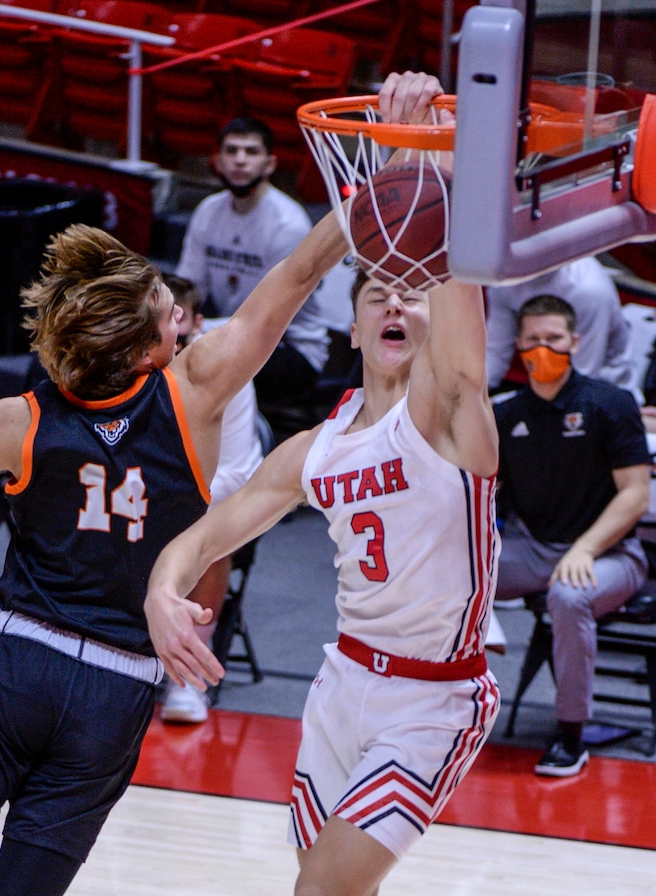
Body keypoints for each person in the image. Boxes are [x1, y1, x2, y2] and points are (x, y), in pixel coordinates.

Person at [0, 100, 363, 893]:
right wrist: (380, 177)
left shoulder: (19, 420)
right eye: (169, 315)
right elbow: (301, 272)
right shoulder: (199, 390)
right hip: (114, 687)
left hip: (15, 665)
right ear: (148, 347)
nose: (182, 319)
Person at [145, 75, 501, 894]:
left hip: (434, 701)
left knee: (320, 891)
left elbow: (461, 353)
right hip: (342, 683)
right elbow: (205, 535)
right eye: (383, 289)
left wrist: (425, 163)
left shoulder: (448, 415)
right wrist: (163, 592)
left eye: (418, 294)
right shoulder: (315, 447)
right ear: (355, 322)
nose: (400, 303)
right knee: (333, 884)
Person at [493, 293, 651, 777]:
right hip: (534, 550)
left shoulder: (611, 404)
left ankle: (569, 735)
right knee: (447, 576)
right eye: (534, 340)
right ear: (519, 345)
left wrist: (585, 548)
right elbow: (488, 497)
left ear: (574, 342)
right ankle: (439, 711)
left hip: (611, 555)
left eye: (554, 339)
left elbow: (635, 494)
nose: (544, 348)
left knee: (567, 595)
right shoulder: (504, 414)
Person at [159, 275, 264, 724]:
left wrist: (164, 497)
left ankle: (187, 676)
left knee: (210, 534)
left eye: (182, 333)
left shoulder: (228, 368)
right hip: (132, 497)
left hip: (206, 504)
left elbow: (237, 476)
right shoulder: (119, 362)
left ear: (197, 324)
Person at [175, 116, 330, 410]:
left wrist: (195, 332)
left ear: (270, 164)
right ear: (217, 161)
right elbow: (187, 288)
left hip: (292, 349)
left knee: (205, 366)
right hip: (228, 334)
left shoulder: (288, 223)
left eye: (251, 152)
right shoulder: (208, 211)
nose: (240, 161)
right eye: (231, 151)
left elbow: (269, 319)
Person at [485, 255, 642, 401]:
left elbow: (584, 378)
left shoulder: (590, 290)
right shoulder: (504, 281)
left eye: (553, 338)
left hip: (606, 395)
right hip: (541, 390)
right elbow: (495, 356)